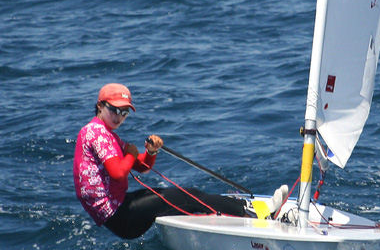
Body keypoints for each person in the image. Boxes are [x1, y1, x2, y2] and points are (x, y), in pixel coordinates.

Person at [73, 83, 287, 239]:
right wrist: (130, 152)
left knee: (187, 197)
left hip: (119, 212)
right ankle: (256, 213)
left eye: (125, 112)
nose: (119, 117)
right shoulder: (97, 133)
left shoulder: (104, 133)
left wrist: (150, 152)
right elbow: (119, 172)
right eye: (114, 110)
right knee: (189, 196)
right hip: (120, 215)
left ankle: (238, 212)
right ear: (100, 106)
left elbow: (142, 167)